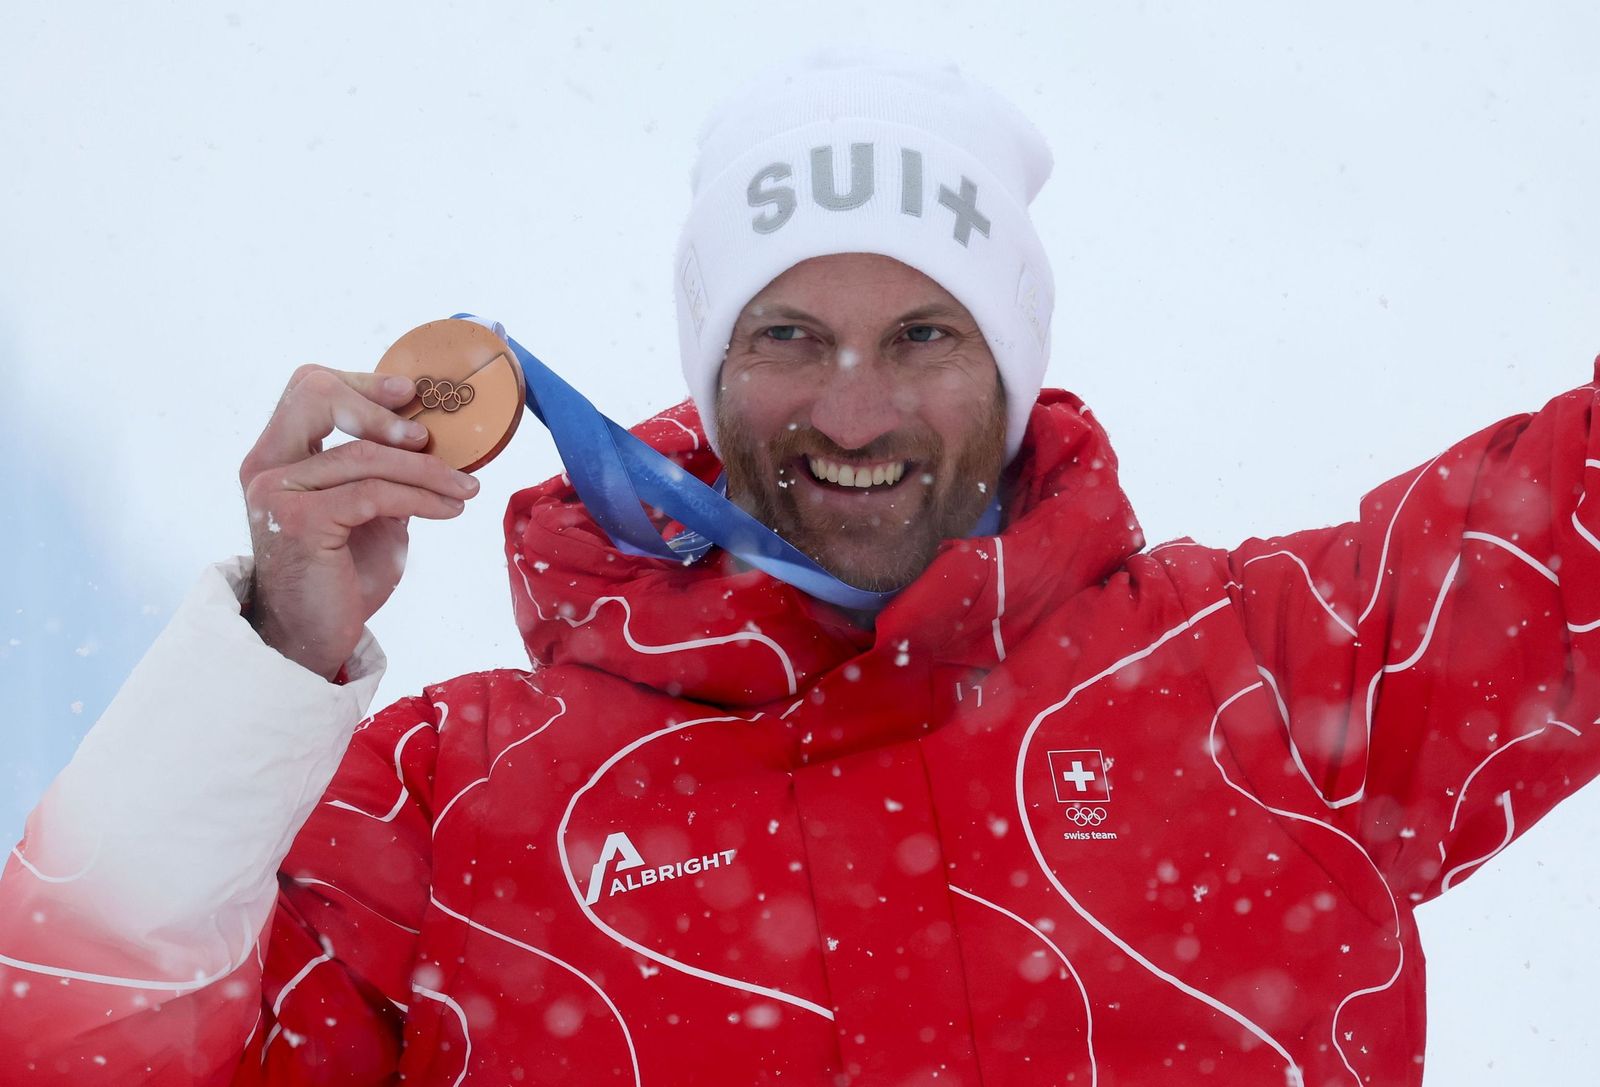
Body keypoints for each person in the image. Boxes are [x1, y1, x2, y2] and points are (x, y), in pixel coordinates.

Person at [2, 50, 1597, 1087]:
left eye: (923, 334)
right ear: (710, 368)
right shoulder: (461, 799)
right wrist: (272, 651)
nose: (854, 408)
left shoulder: (1265, 672)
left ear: (1014, 360)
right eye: (787, 336)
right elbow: (73, 1051)